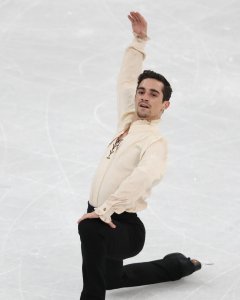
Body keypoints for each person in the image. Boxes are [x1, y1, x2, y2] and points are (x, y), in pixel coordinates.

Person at [77, 11, 201, 300]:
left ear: (165, 104)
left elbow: (143, 177)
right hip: (103, 213)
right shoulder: (128, 122)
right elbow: (125, 81)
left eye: (153, 94)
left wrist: (107, 209)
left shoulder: (155, 142)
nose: (144, 96)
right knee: (111, 277)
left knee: (90, 230)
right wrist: (139, 40)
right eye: (142, 91)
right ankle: (176, 266)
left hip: (123, 225)